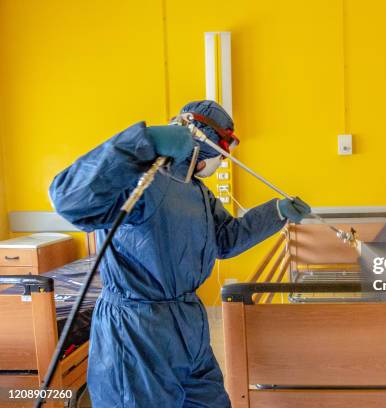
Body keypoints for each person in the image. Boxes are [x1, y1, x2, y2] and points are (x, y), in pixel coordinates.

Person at [49, 100, 310, 407]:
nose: (221, 162)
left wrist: (275, 213)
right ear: (198, 140)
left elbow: (225, 240)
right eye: (221, 150)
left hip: (188, 325)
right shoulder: (138, 179)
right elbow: (68, 198)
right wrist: (142, 143)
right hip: (136, 331)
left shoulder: (197, 192)